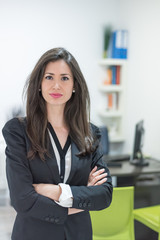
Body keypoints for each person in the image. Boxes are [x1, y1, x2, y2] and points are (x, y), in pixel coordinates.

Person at [2, 47, 113, 240]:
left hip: (78, 234)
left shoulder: (90, 133)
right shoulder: (18, 131)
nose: (56, 86)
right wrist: (81, 194)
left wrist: (57, 191)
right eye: (49, 77)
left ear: (74, 85)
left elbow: (104, 195)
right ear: (39, 83)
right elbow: (21, 199)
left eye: (64, 78)